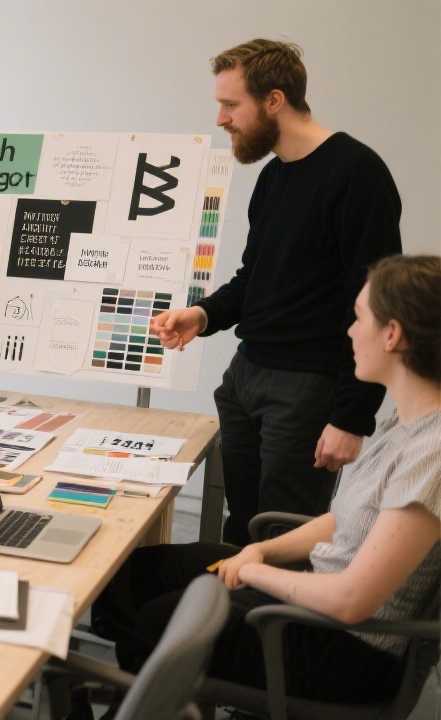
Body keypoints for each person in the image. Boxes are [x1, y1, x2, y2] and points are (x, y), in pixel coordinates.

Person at [88, 255, 441, 711]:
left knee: (159, 619)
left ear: (392, 334)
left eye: (358, 319)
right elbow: (344, 520)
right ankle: (140, 693)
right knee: (135, 575)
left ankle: (138, 698)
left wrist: (255, 572)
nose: (350, 332)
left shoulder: (430, 454)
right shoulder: (406, 422)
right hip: (317, 603)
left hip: (344, 651)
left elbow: (352, 602)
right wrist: (262, 552)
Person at [151, 39, 402, 545]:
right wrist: (202, 315)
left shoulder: (356, 173)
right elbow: (255, 277)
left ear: (273, 100)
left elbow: (379, 303)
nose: (221, 119)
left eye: (231, 104)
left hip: (307, 390)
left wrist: (351, 417)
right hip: (245, 377)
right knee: (240, 531)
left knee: (280, 542)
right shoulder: (273, 176)